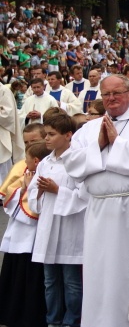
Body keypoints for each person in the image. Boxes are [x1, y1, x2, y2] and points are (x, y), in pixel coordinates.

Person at [61, 74, 129, 327]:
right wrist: (98, 145)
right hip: (100, 211)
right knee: (102, 274)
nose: (111, 99)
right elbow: (71, 164)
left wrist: (117, 144)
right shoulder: (89, 129)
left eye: (117, 93)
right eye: (106, 94)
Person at [28, 110, 87, 327]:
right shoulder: (45, 163)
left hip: (70, 230)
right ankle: (52, 321)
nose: (46, 138)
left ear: (68, 135)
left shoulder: (79, 161)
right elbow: (33, 194)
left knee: (72, 282)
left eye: (51, 134)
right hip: (48, 226)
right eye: (46, 134)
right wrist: (41, 192)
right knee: (50, 282)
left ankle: (71, 322)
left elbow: (84, 197)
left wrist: (57, 190)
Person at [0, 130, 49, 327]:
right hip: (20, 229)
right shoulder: (20, 165)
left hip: (38, 233)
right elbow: (6, 192)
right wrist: (21, 189)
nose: (29, 145)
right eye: (26, 141)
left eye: (34, 141)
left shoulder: (47, 167)